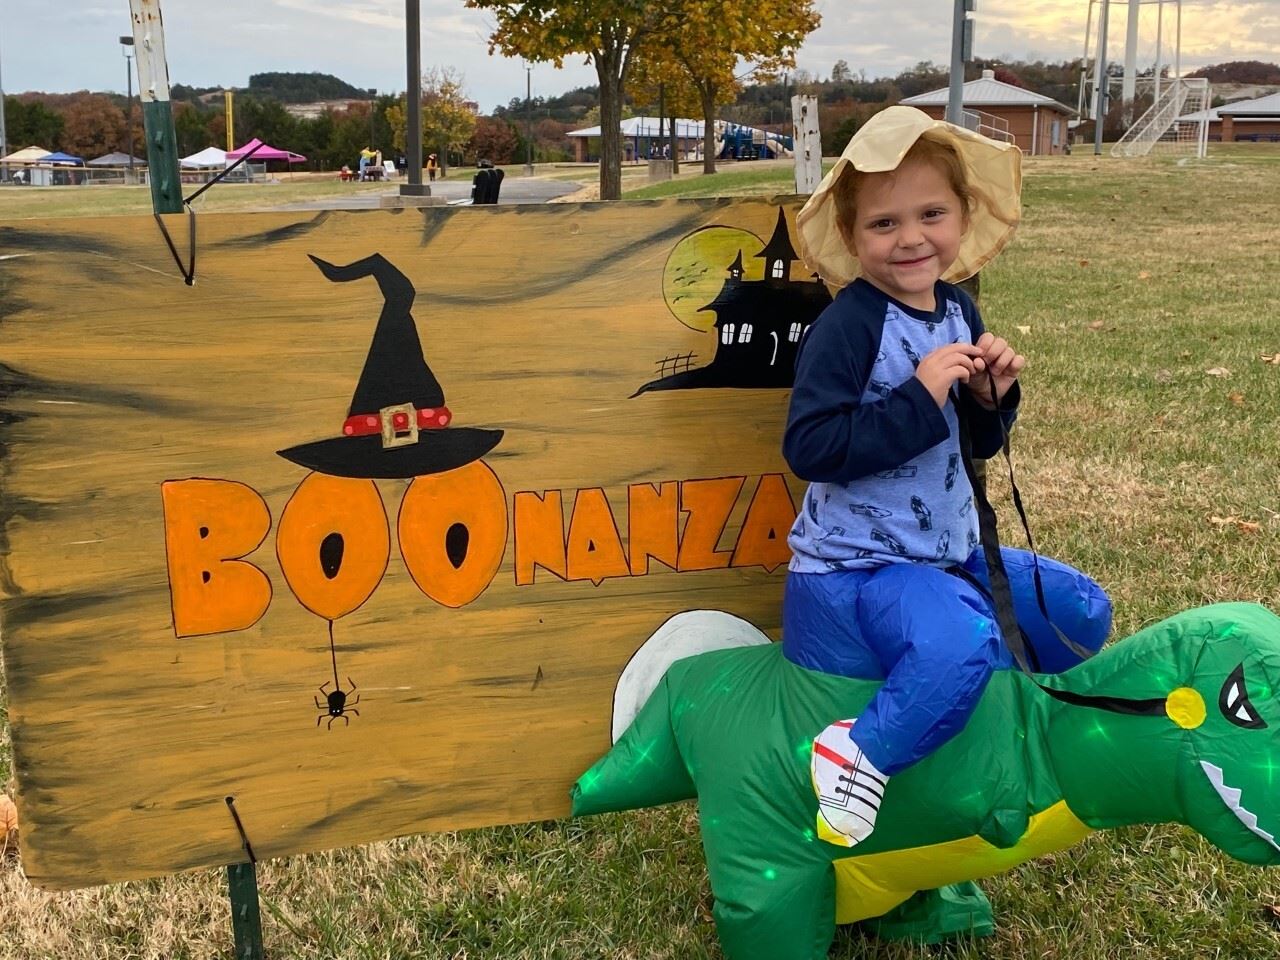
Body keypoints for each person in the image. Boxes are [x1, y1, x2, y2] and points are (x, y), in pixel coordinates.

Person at [784, 106, 1112, 854]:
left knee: (1080, 611)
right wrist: (919, 395)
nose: (910, 239)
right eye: (884, 223)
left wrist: (993, 399)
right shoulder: (849, 326)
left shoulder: (959, 308)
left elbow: (976, 445)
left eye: (931, 214)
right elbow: (810, 446)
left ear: (962, 216)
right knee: (961, 640)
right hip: (860, 566)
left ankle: (1007, 727)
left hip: (950, 550)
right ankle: (859, 754)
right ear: (852, 235)